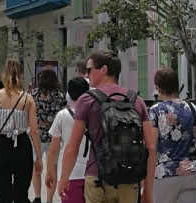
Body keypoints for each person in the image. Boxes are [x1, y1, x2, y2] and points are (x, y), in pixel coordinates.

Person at [57, 50, 157, 203]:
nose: (86, 74)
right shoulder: (136, 100)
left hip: (97, 177)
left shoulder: (87, 100)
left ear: (103, 70)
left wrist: (64, 178)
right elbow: (150, 147)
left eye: (89, 70)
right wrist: (148, 191)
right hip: (129, 181)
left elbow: (72, 146)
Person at [0, 58, 42, 203]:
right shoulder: (27, 98)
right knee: (21, 193)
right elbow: (34, 131)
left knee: (2, 193)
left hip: (1, 145)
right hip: (22, 144)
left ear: (4, 74)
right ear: (20, 76)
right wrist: (39, 157)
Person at [149, 67, 196, 203]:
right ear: (177, 86)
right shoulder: (193, 108)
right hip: (193, 172)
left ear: (158, 88)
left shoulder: (156, 110)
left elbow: (152, 146)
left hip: (165, 173)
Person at [47, 77, 91, 203]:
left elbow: (53, 149)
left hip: (70, 174)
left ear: (69, 94)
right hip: (93, 173)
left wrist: (50, 171)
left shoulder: (62, 115)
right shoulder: (94, 113)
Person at [32, 68, 67, 203]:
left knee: (36, 168)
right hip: (55, 137)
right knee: (52, 168)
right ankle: (49, 200)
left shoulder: (34, 94)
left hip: (37, 136)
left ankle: (37, 197)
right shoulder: (60, 95)